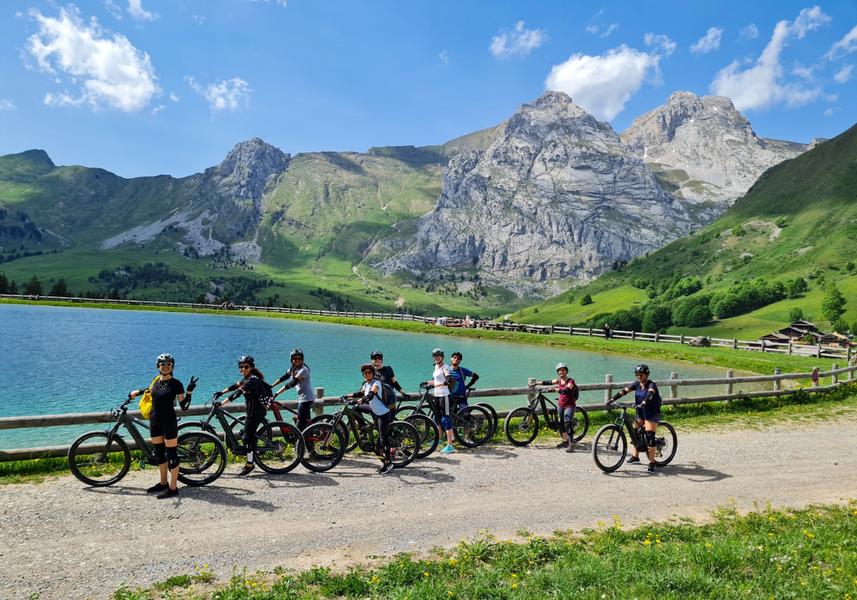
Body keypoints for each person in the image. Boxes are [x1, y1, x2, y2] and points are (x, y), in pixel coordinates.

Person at [128, 353, 197, 499]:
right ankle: (163, 483)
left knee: (171, 455)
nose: (165, 366)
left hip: (168, 422)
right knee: (160, 454)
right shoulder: (155, 381)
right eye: (162, 364)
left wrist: (189, 392)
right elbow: (150, 391)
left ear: (172, 366)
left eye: (168, 364)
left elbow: (184, 406)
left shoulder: (176, 383)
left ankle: (173, 488)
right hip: (154, 421)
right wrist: (137, 392)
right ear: (157, 366)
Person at [214, 355, 271, 476]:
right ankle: (250, 449)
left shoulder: (252, 380)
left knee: (246, 438)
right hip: (251, 411)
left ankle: (250, 464)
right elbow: (234, 386)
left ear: (251, 367)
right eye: (241, 367)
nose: (243, 369)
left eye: (246, 367)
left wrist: (222, 404)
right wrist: (221, 392)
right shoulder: (246, 378)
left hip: (256, 412)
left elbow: (237, 393)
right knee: (247, 434)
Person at [609, 364, 662, 472]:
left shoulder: (651, 384)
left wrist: (644, 402)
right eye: (636, 374)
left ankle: (652, 462)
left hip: (651, 413)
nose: (638, 376)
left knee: (649, 437)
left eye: (641, 374)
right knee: (635, 433)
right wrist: (612, 399)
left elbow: (650, 394)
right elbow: (624, 391)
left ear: (646, 374)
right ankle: (635, 456)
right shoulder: (636, 384)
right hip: (641, 411)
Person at [344, 363, 394, 474]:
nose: (366, 374)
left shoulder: (376, 383)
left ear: (373, 373)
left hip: (382, 413)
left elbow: (370, 395)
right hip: (373, 409)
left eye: (369, 372)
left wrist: (359, 400)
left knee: (382, 438)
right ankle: (363, 430)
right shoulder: (366, 384)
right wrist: (347, 396)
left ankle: (388, 463)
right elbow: (361, 393)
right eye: (364, 373)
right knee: (355, 409)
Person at [534, 362, 579, 452]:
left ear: (566, 371)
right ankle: (565, 441)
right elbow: (548, 382)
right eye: (559, 371)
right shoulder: (558, 380)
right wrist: (536, 383)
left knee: (567, 423)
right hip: (560, 405)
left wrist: (555, 389)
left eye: (562, 370)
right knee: (561, 423)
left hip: (569, 405)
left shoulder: (571, 381)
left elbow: (566, 390)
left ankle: (571, 444)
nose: (560, 372)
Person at [271, 348, 314, 431]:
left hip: (306, 399)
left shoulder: (303, 370)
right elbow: (284, 377)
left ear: (302, 359)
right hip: (303, 398)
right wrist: (272, 385)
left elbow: (291, 384)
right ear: (291, 360)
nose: (297, 360)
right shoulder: (293, 369)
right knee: (306, 422)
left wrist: (276, 394)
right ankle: (309, 442)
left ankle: (299, 441)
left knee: (300, 423)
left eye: (299, 358)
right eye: (294, 359)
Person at [424, 348, 455, 454]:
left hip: (444, 395)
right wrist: (427, 382)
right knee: (437, 418)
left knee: (446, 419)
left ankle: (450, 445)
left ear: (442, 356)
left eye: (439, 355)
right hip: (436, 394)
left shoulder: (445, 367)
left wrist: (436, 384)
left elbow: (448, 380)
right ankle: (438, 440)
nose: (437, 357)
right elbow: (437, 380)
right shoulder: (436, 367)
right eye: (435, 356)